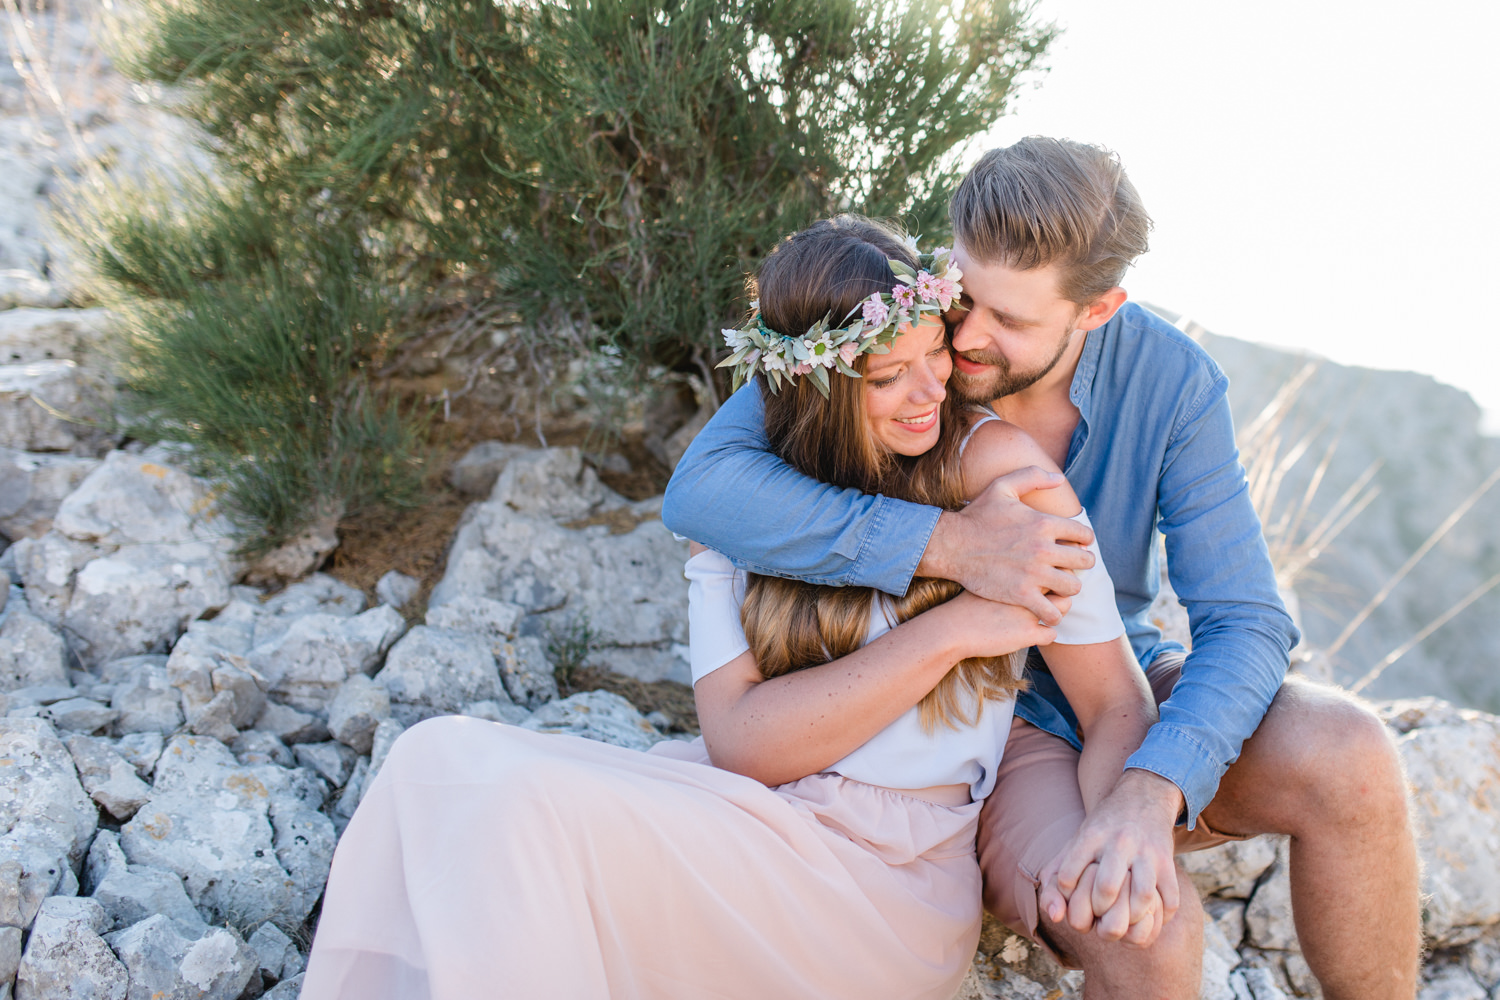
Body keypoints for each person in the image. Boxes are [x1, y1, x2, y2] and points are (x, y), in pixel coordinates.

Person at [301, 215, 1159, 999]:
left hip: (882, 881)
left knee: (520, 815)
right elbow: (743, 743)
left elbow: (1115, 700)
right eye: (888, 375)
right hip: (750, 811)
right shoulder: (749, 506)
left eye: (935, 353)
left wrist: (1112, 828)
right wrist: (957, 627)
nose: (931, 390)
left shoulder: (1012, 491)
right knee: (430, 762)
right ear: (813, 389)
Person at [662, 138, 1422, 1000]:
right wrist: (945, 548)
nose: (969, 338)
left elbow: (1245, 620)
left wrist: (1153, 784)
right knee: (1141, 934)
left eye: (1013, 322)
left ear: (1098, 310)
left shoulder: (1172, 384)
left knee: (1352, 756)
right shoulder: (896, 320)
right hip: (935, 708)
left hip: (1100, 693)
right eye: (965, 297)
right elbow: (704, 489)